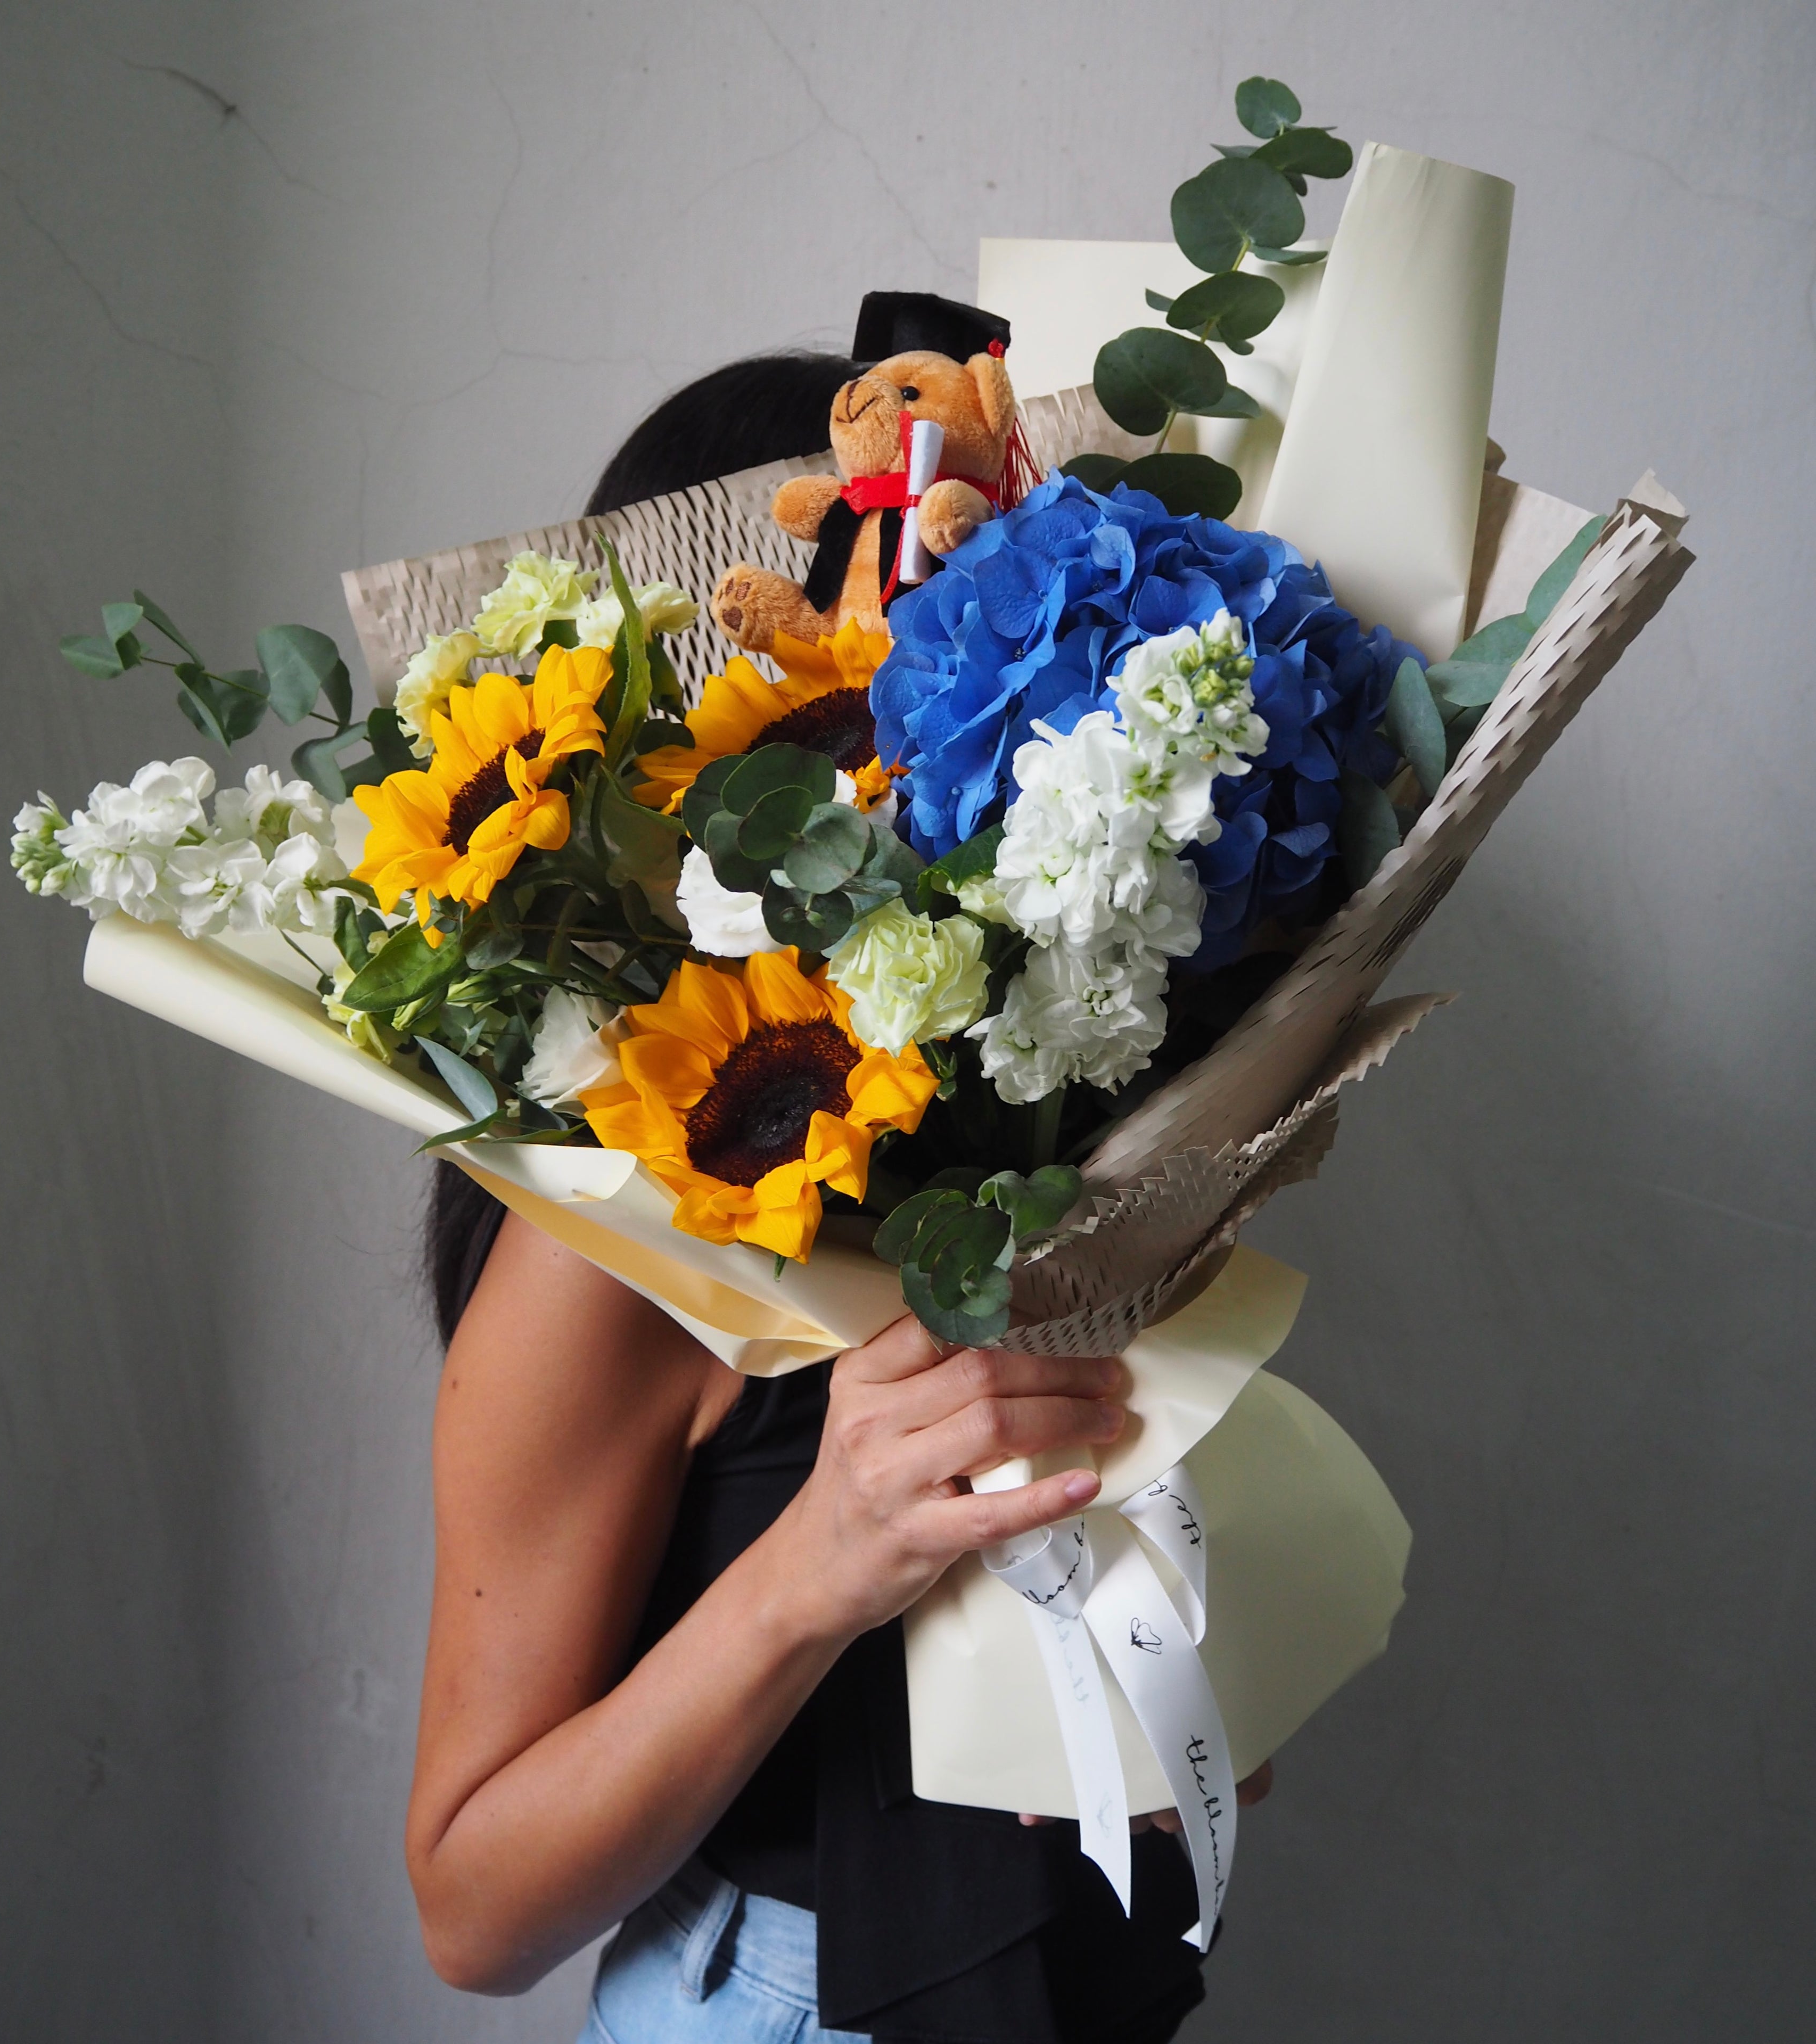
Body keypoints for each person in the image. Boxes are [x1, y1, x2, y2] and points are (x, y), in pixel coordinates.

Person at [406, 344, 1272, 2044]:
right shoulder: (605, 1248)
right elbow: (469, 1908)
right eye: (889, 614)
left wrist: (1177, 1710)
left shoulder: (1022, 1131)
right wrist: (822, 1562)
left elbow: (1156, 1653)